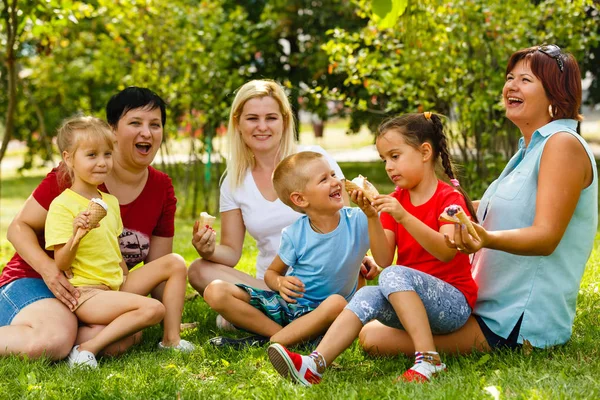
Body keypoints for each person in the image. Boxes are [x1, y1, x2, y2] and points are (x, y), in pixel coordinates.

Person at [358, 45, 597, 356]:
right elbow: (492, 208)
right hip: (483, 303)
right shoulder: (527, 152)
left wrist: (484, 238)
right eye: (510, 77)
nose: (511, 85)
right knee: (374, 318)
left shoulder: (562, 145)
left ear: (555, 93)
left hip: (514, 320)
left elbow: (546, 237)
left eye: (525, 80)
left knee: (374, 338)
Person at [267, 112, 478, 385]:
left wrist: (404, 217)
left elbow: (447, 251)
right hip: (412, 304)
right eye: (384, 159)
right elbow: (383, 258)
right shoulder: (394, 201)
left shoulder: (448, 198)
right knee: (368, 293)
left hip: (453, 304)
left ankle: (429, 360)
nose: (389, 167)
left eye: (395, 156)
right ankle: (314, 364)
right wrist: (371, 216)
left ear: (425, 152)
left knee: (393, 275)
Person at [0, 87, 192, 360]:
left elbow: (157, 269)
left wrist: (164, 317)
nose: (146, 133)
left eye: (155, 125)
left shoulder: (161, 187)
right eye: (135, 123)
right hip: (37, 278)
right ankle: (50, 330)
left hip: (101, 287)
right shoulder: (75, 175)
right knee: (52, 340)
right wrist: (50, 272)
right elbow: (17, 227)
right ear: (112, 131)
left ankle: (70, 336)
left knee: (123, 338)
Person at [187, 79, 378, 329]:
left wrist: (364, 254)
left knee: (227, 319)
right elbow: (231, 252)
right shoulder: (233, 181)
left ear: (285, 121)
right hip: (274, 284)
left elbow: (343, 214)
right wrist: (207, 249)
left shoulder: (314, 159)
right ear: (238, 123)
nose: (262, 127)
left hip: (325, 280)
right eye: (253, 118)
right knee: (198, 270)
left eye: (271, 118)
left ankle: (259, 318)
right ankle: (286, 322)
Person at [203, 151, 378, 348]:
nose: (336, 181)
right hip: (290, 308)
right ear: (300, 199)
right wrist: (280, 283)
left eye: (333, 175)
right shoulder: (295, 234)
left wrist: (373, 218)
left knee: (336, 302)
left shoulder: (360, 219)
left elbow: (382, 252)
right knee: (215, 291)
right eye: (324, 179)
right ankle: (286, 336)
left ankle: (268, 341)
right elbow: (272, 273)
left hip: (329, 314)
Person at [45, 115, 180, 367]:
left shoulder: (110, 202)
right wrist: (77, 233)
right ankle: (86, 348)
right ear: (68, 158)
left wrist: (127, 282)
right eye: (92, 155)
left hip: (114, 286)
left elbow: (116, 254)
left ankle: (172, 340)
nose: (102, 163)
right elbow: (62, 263)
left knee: (175, 262)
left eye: (107, 154)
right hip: (87, 294)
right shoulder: (62, 205)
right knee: (153, 309)